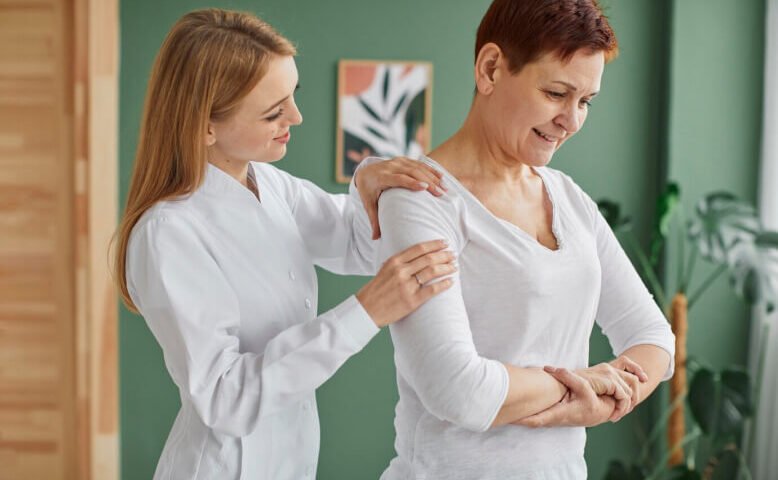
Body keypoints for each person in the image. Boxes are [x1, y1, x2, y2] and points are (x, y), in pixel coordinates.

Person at [113, 9, 457, 480]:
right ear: (206, 126)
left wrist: (369, 182)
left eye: (293, 95)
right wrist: (367, 312)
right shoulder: (168, 233)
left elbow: (359, 245)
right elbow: (224, 399)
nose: (296, 116)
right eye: (273, 112)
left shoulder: (269, 184)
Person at [369, 0, 676, 478]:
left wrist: (602, 402)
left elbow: (653, 337)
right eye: (556, 93)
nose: (572, 120)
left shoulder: (568, 198)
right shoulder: (421, 201)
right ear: (491, 69)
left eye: (585, 101)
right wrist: (584, 383)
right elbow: (457, 389)